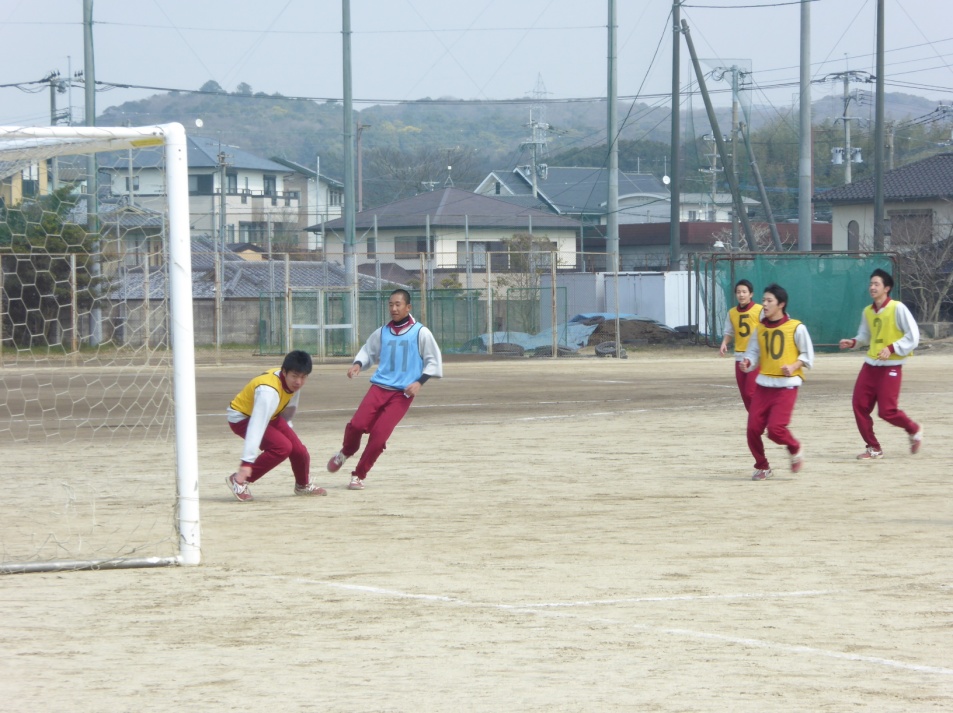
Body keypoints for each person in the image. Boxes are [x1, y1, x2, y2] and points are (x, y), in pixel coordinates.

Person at [327, 289, 443, 490]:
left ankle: (359, 475)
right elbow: (368, 351)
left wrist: (419, 382)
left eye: (398, 304)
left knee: (379, 436)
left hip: (402, 394)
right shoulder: (383, 332)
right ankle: (346, 452)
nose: (394, 308)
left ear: (408, 307)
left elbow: (433, 359)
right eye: (391, 304)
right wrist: (358, 364)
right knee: (356, 425)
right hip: (379, 388)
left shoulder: (421, 332)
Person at [838, 268, 922, 460]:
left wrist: (892, 348)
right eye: (870, 284)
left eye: (876, 284)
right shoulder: (868, 311)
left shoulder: (897, 308)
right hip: (870, 365)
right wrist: (853, 342)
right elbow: (865, 335)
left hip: (891, 366)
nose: (872, 287)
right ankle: (873, 447)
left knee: (887, 411)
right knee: (859, 405)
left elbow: (913, 336)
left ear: (887, 288)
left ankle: (913, 429)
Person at [224, 350, 326, 502]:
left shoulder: (292, 383)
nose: (298, 381)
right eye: (295, 376)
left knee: (299, 450)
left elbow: (289, 407)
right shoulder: (268, 392)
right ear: (284, 372)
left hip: (272, 415)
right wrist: (246, 463)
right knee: (282, 448)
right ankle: (239, 480)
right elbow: (256, 427)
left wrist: (287, 428)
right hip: (243, 418)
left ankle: (302, 485)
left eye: (303, 377)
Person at [741, 283, 815, 481]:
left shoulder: (796, 327)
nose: (764, 304)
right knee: (753, 429)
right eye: (764, 300)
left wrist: (793, 366)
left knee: (775, 430)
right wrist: (747, 362)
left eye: (769, 301)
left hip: (786, 386)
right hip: (764, 384)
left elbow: (808, 355)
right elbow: (753, 352)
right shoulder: (760, 328)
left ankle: (795, 447)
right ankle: (762, 466)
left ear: (780, 304)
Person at [719, 279, 762, 411]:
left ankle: (760, 419)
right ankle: (756, 422)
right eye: (738, 292)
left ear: (751, 294)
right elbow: (729, 331)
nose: (741, 295)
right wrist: (724, 343)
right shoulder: (732, 313)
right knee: (744, 394)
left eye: (744, 292)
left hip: (754, 357)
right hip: (739, 356)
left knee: (750, 392)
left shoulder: (759, 310)